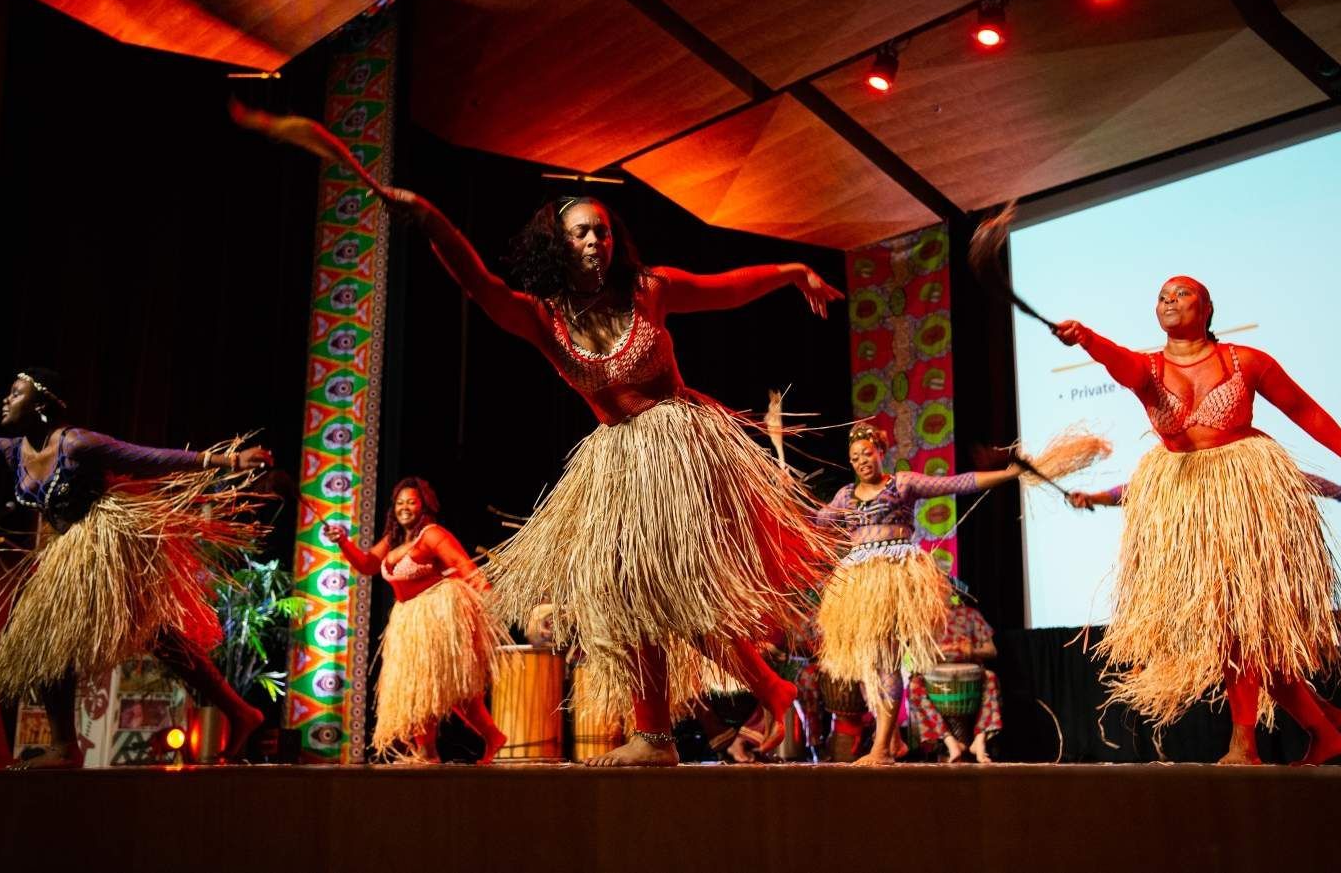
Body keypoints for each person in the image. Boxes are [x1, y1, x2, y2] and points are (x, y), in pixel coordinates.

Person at [234, 103, 843, 766]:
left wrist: (790, 272)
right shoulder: (542, 319)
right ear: (560, 242)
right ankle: (755, 697)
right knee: (638, 594)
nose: (595, 243)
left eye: (603, 233)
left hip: (680, 450)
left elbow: (726, 288)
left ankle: (667, 732)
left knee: (643, 589)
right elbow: (478, 283)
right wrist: (429, 218)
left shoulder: (649, 289)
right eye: (582, 233)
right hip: (617, 462)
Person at [1053, 276, 1341, 764]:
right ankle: (1321, 725)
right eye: (1162, 296)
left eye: (1182, 293)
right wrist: (1087, 338)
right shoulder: (1148, 369)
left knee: (1241, 625)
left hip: (1245, 501)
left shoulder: (1247, 361)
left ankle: (1252, 744)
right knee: (1236, 628)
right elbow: (1119, 361)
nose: (1170, 301)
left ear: (1208, 307)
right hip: (1187, 504)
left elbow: (1303, 409)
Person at [0, 368, 271, 767]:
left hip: (104, 546)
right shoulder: (13, 450)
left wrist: (229, 459)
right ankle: (240, 711)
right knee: (151, 634)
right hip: (67, 552)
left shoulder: (78, 443)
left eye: (16, 393)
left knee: (54, 635)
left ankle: (65, 746)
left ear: (42, 405)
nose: (6, 400)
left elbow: (149, 458)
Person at [814, 423, 1022, 766]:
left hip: (893, 578)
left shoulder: (903, 483)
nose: (862, 461)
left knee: (888, 659)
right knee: (874, 663)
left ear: (881, 451)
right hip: (859, 585)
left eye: (867, 453)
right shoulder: (844, 495)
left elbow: (957, 483)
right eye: (855, 457)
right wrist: (786, 492)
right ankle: (889, 741)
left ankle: (881, 747)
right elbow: (818, 520)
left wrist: (1007, 474)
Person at [323, 477, 506, 763]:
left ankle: (484, 737)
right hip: (407, 619)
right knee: (415, 687)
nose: (405, 507)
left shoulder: (432, 535)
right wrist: (343, 542)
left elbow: (463, 566)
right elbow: (367, 564)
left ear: (424, 505)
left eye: (411, 501)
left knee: (441, 685)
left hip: (437, 614)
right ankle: (430, 751)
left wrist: (493, 599)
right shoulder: (394, 540)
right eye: (399, 503)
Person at [904, 579, 1001, 763]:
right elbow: (913, 659)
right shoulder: (924, 620)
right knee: (915, 685)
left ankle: (979, 741)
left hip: (970, 675)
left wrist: (972, 651)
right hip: (934, 676)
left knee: (991, 678)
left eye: (944, 588)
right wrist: (936, 653)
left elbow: (992, 650)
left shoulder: (970, 615)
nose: (940, 592)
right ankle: (949, 742)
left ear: (953, 592)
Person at [1068, 473, 1341, 521]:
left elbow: (1314, 485)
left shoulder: (1249, 471)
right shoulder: (1178, 472)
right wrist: (1094, 497)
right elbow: (1132, 492)